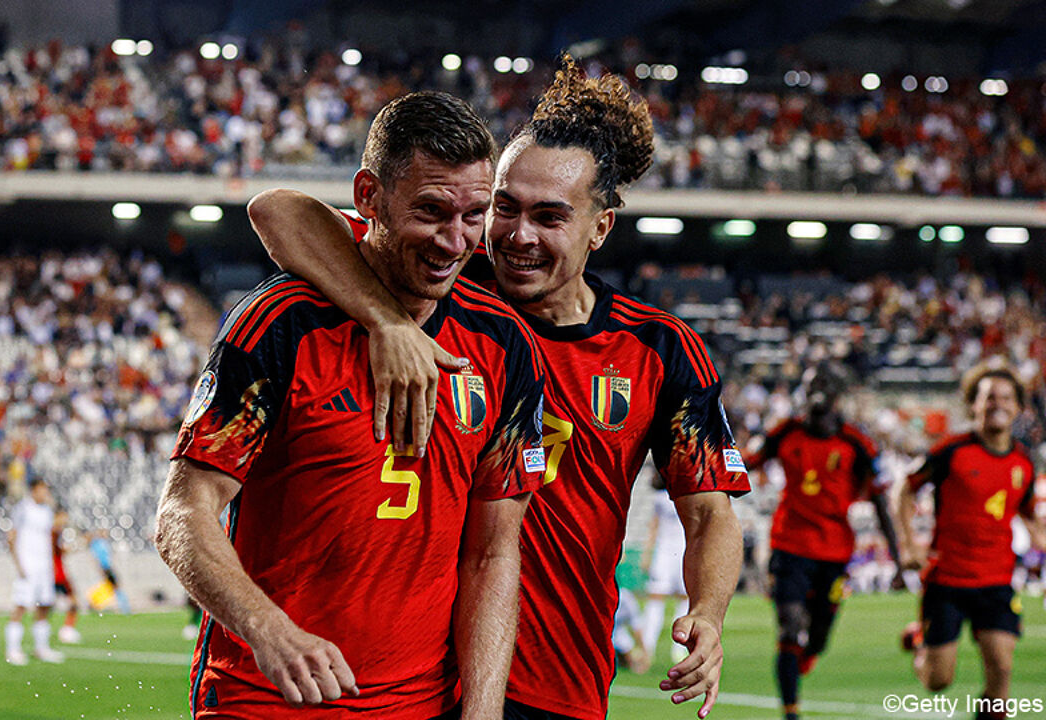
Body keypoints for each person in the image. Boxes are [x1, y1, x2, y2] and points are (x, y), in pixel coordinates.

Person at [247, 56, 750, 720]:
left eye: (549, 217)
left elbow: (710, 514)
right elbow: (278, 211)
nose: (516, 235)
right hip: (424, 678)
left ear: (600, 227)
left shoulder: (658, 349)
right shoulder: (439, 274)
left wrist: (707, 613)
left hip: (557, 676)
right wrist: (386, 321)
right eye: (504, 208)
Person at [155, 91, 546, 719]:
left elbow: (492, 553)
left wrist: (482, 711)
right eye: (430, 211)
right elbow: (183, 511)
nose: (455, 241)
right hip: (263, 700)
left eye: (474, 215)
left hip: (417, 706)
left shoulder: (505, 346)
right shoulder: (279, 324)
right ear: (368, 197)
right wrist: (268, 630)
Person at [743, 363, 902, 720]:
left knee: (818, 637)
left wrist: (897, 557)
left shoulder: (857, 442)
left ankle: (810, 652)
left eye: (824, 384)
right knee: (789, 625)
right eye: (810, 383)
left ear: (837, 395)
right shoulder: (784, 432)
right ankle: (791, 712)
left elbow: (880, 502)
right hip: (789, 545)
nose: (816, 390)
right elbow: (745, 463)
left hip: (834, 551)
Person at [898, 364, 1046, 718]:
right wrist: (909, 543)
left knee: (1002, 669)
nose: (998, 404)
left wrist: (1040, 536)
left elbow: (1027, 510)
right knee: (938, 680)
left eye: (1006, 398)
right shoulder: (951, 451)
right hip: (947, 580)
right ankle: (919, 641)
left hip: (997, 580)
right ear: (973, 405)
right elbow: (905, 489)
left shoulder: (1023, 462)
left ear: (1018, 407)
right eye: (989, 397)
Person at [5, 479, 64, 665]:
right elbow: (11, 536)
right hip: (28, 564)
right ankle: (13, 649)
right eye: (42, 490)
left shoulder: (47, 511)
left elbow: (51, 536)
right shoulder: (23, 509)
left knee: (45, 605)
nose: (45, 494)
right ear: (33, 490)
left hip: (44, 566)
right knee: (21, 605)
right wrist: (18, 564)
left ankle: (42, 648)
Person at [641, 478, 691, 666]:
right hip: (663, 552)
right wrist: (647, 552)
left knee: (685, 598)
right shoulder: (660, 497)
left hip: (683, 550)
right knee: (655, 597)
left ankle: (679, 648)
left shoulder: (687, 494)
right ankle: (647, 647)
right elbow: (653, 525)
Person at [52, 510, 82, 644]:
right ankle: (67, 630)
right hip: (57, 575)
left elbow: (59, 551)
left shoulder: (54, 533)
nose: (64, 521)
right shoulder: (53, 532)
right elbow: (57, 550)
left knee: (71, 602)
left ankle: (66, 630)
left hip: (54, 574)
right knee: (73, 602)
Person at [89, 529, 130, 614]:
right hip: (106, 568)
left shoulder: (103, 543)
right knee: (115, 586)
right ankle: (124, 607)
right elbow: (97, 558)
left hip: (108, 567)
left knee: (111, 586)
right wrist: (101, 568)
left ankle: (94, 603)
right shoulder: (97, 544)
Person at [612, 587, 651, 675]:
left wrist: (644, 652)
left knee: (625, 644)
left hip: (617, 631)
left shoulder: (628, 601)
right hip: (602, 631)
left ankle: (623, 660)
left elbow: (636, 628)